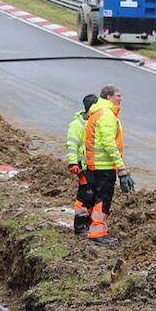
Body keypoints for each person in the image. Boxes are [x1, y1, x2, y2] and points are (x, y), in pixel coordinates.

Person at [83, 85, 136, 246]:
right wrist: (121, 167)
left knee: (100, 199)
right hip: (104, 166)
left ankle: (99, 231)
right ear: (108, 97)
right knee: (103, 200)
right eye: (118, 96)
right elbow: (108, 143)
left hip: (96, 165)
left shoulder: (99, 112)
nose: (120, 99)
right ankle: (97, 234)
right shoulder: (106, 115)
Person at [66, 94, 99, 235]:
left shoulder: (97, 123)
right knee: (85, 197)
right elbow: (72, 145)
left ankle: (91, 224)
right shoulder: (77, 125)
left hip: (96, 167)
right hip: (84, 168)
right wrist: (73, 164)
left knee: (95, 196)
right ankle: (80, 226)